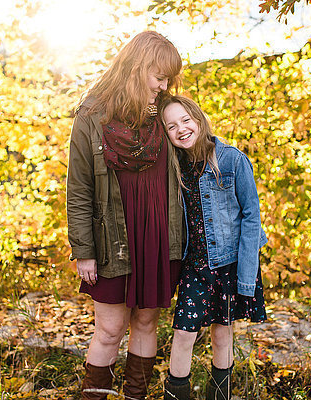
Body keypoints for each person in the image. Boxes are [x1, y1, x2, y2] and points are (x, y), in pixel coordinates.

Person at [66, 31, 183, 399]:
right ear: (136, 67)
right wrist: (83, 250)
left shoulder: (167, 113)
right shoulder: (91, 116)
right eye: (158, 76)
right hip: (110, 241)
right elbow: (79, 189)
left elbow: (200, 145)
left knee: (147, 322)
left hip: (161, 236)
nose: (163, 84)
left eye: (168, 78)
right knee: (109, 330)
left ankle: (135, 395)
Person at [159, 95, 268, 400]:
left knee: (222, 334)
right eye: (171, 126)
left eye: (185, 120)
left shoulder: (232, 160)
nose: (181, 129)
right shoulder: (174, 166)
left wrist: (247, 276)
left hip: (228, 263)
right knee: (183, 334)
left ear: (199, 119)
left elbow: (251, 217)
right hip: (194, 266)